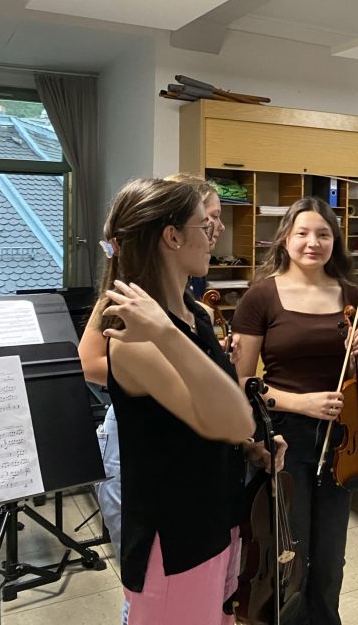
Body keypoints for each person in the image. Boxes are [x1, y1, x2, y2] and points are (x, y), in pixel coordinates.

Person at [95, 178, 257, 624]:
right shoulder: (133, 338)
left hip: (216, 515)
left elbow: (220, 417)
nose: (213, 235)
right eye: (204, 225)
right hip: (175, 538)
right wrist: (167, 334)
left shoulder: (195, 313)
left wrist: (251, 448)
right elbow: (233, 419)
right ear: (172, 236)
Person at [231, 197, 358, 625]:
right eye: (303, 233)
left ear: (335, 241)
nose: (313, 242)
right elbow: (241, 382)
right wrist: (301, 402)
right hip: (282, 437)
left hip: (341, 440)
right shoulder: (261, 296)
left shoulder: (352, 295)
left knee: (331, 556)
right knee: (287, 553)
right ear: (285, 239)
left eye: (323, 234)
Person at [79, 174, 227, 578]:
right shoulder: (129, 294)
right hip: (133, 436)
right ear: (172, 232)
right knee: (148, 570)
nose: (217, 228)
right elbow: (89, 361)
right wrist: (164, 378)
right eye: (209, 218)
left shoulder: (189, 293)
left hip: (181, 449)